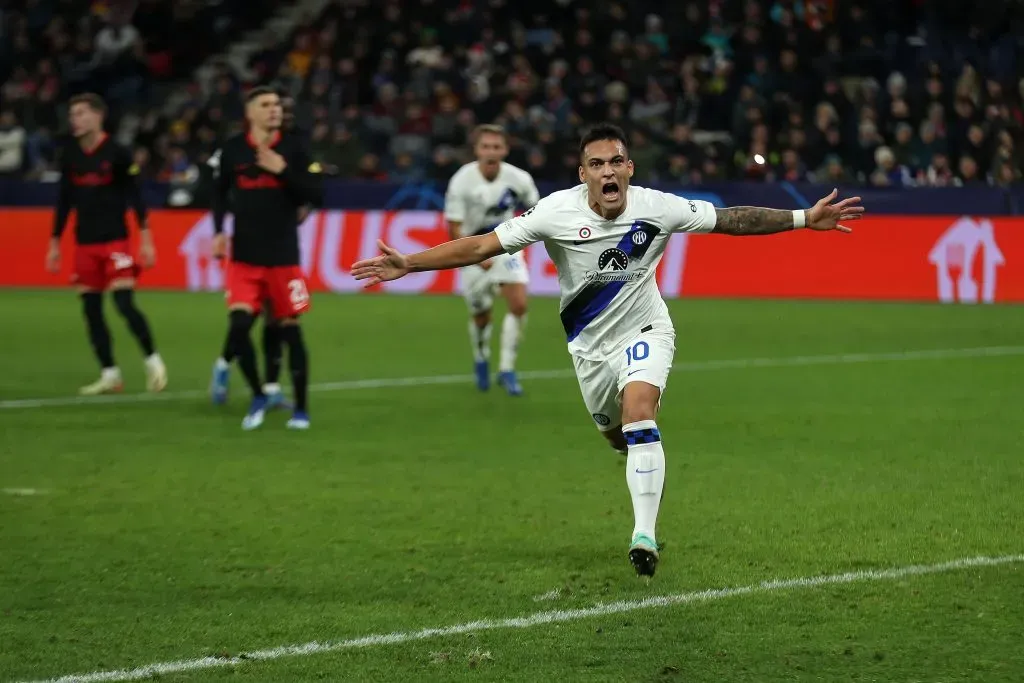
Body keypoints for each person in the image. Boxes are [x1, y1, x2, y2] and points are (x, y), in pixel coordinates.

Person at [352, 123, 864, 577]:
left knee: (641, 418)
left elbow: (731, 219)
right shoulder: (554, 212)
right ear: (583, 174)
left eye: (616, 161)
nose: (608, 171)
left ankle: (643, 535)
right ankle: (638, 468)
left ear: (629, 167)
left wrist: (802, 217)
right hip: (589, 348)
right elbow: (483, 244)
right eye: (596, 164)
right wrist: (411, 263)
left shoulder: (656, 206)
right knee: (620, 439)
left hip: (646, 330)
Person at [210, 86, 323, 430]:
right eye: (266, 104)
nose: (274, 109)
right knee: (240, 326)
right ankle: (259, 393)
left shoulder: (295, 149)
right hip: (244, 258)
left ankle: (301, 409)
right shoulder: (231, 150)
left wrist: (283, 170)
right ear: (250, 113)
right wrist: (217, 231)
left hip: (284, 258)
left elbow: (315, 193)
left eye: (277, 104)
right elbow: (217, 192)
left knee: (291, 332)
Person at [47, 92, 167, 396]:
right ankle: (109, 373)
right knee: (91, 310)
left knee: (124, 303)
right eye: (73, 114)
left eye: (81, 113)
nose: (75, 119)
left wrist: (146, 239)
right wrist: (55, 242)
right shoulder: (70, 155)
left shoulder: (117, 152)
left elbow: (136, 197)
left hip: (116, 242)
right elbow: (64, 201)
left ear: (98, 116)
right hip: (84, 243)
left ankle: (153, 360)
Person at [443, 124, 539, 395]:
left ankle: (507, 369)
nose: (491, 152)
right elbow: (454, 227)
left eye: (497, 147)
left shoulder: (519, 178)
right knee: (481, 315)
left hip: (505, 244)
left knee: (519, 304)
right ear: (476, 150)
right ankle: (481, 356)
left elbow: (536, 209)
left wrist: (521, 235)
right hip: (472, 249)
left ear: (505, 150)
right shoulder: (462, 180)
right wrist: (475, 256)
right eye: (486, 146)